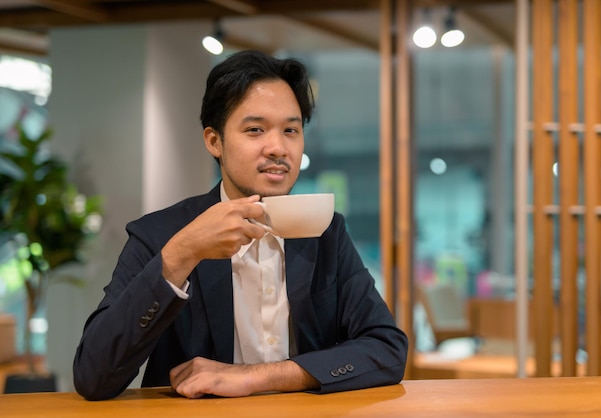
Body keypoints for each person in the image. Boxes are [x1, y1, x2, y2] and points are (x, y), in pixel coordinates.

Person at [73, 50, 408, 401]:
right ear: (214, 141)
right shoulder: (159, 235)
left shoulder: (324, 231)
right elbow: (93, 377)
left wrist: (256, 378)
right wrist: (182, 254)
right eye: (255, 130)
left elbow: (387, 349)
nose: (278, 147)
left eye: (291, 130)